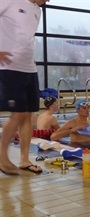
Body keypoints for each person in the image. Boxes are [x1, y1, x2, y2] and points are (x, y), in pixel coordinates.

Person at [0, 0, 49, 175]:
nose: (48, 1)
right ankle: (2, 157)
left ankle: (24, 159)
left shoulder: (37, 10)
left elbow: (25, 38)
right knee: (18, 114)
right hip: (10, 68)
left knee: (28, 115)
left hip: (29, 67)